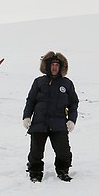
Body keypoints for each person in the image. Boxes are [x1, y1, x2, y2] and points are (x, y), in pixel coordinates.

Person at [22, 51, 79, 182]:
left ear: (61, 67)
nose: (54, 67)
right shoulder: (38, 82)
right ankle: (35, 172)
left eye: (57, 65)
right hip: (39, 123)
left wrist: (71, 120)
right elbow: (30, 100)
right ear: (47, 66)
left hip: (58, 123)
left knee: (63, 151)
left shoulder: (67, 84)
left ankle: (62, 170)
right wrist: (26, 117)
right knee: (36, 152)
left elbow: (73, 103)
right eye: (52, 64)